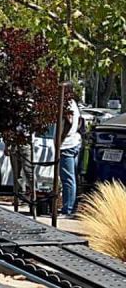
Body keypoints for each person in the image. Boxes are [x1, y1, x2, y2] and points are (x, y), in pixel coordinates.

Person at [59, 85, 82, 216]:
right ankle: (71, 207)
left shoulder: (67, 105)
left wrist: (59, 140)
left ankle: (67, 209)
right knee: (72, 177)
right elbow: (78, 123)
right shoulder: (74, 104)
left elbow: (68, 122)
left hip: (67, 145)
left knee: (67, 178)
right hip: (74, 143)